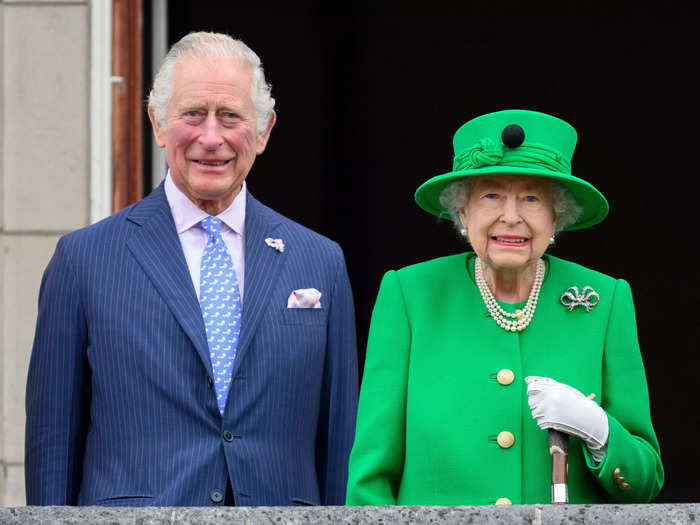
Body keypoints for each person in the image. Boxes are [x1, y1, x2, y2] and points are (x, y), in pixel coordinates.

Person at [25, 31, 358, 507]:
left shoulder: (320, 261)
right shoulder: (83, 260)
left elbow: (339, 438)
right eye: (193, 115)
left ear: (263, 132)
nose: (211, 137)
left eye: (230, 116)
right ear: (157, 124)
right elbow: (52, 442)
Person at [346, 109, 663, 505]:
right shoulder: (410, 295)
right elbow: (370, 480)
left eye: (531, 198)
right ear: (462, 212)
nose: (510, 217)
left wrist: (600, 433)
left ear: (556, 216)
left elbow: (645, 482)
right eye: (491, 195)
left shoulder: (606, 300)